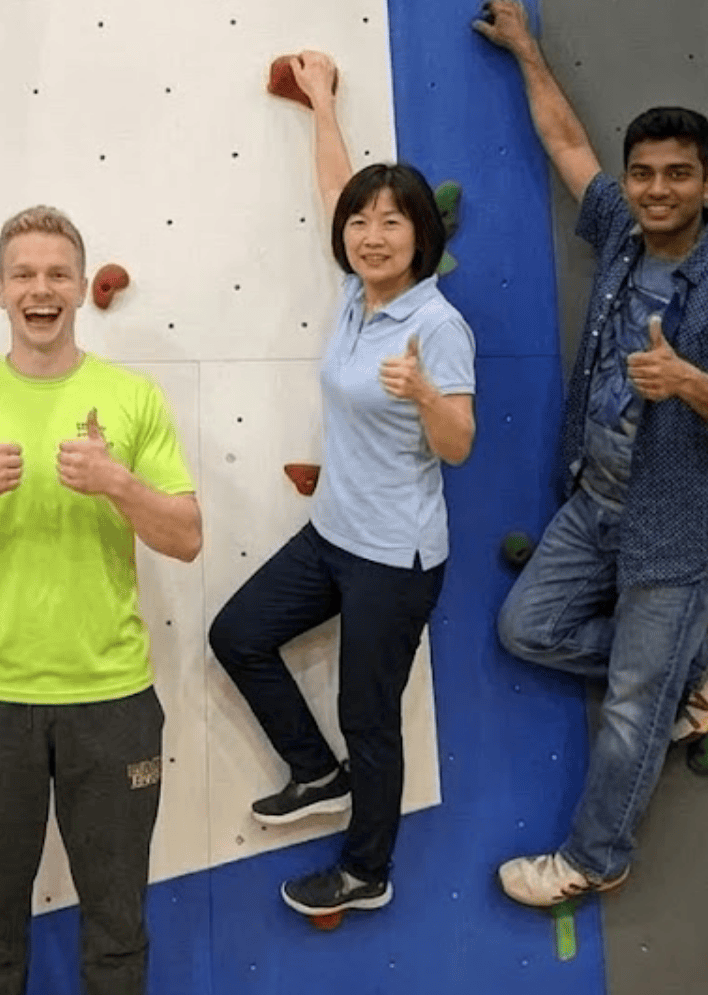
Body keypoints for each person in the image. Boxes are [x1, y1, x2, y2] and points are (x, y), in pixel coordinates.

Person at [474, 0, 708, 907]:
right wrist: (529, 50)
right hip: (597, 500)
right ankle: (699, 664)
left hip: (680, 526)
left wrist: (688, 382)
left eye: (677, 176)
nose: (656, 190)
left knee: (629, 710)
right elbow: (570, 146)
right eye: (644, 173)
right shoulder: (620, 232)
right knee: (526, 628)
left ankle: (594, 859)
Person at [0, 206, 201, 995]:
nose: (41, 288)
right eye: (23, 274)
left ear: (81, 289)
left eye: (57, 273)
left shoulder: (131, 399)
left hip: (114, 699)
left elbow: (189, 537)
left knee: (119, 927)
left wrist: (117, 483)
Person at [206, 52, 477, 923]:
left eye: (392, 223)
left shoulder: (436, 324)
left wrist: (428, 393)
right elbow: (337, 188)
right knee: (238, 634)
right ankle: (315, 773)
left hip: (395, 559)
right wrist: (320, 100)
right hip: (334, 534)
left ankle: (367, 870)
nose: (371, 233)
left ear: (422, 237)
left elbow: (460, 446)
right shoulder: (359, 298)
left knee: (371, 716)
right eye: (363, 223)